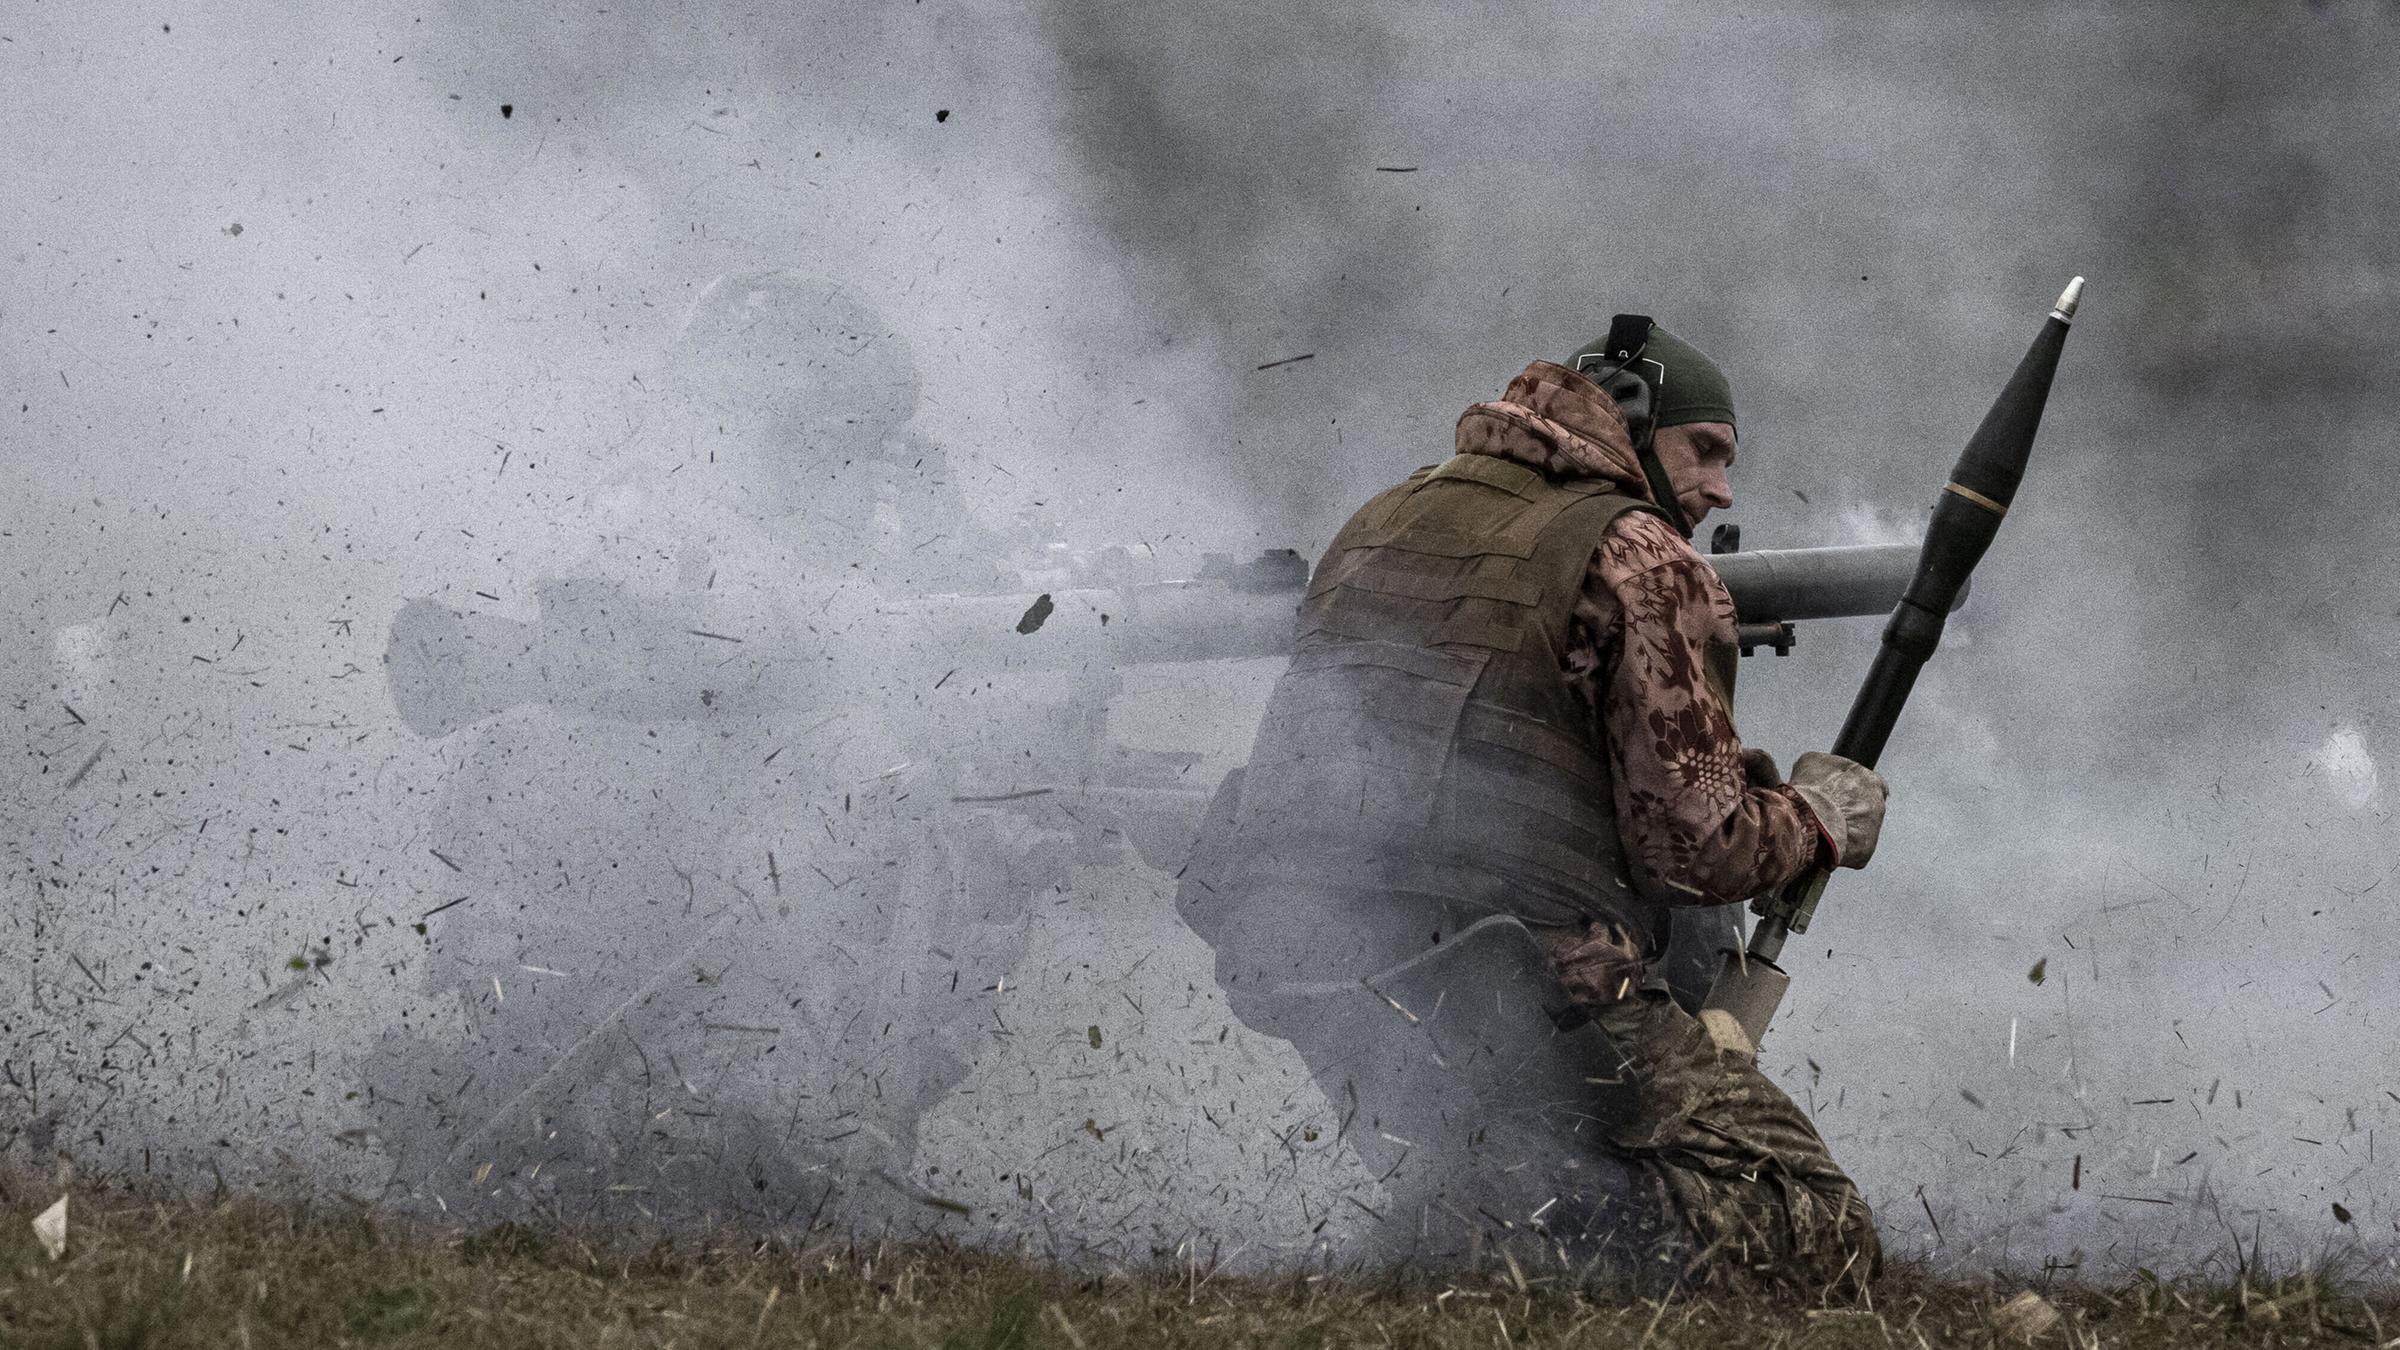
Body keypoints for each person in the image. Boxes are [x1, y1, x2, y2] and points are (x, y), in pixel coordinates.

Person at [1177, 317, 1888, 1289]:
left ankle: (1477, 1194)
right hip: (1508, 977)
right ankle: (1496, 1223)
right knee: (1817, 1231)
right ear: (1634, 428)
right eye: (1708, 452)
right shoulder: (1642, 555)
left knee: (1531, 1145)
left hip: (1309, 962)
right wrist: (1816, 818)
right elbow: (1696, 853)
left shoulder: (1384, 515)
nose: (1722, 488)